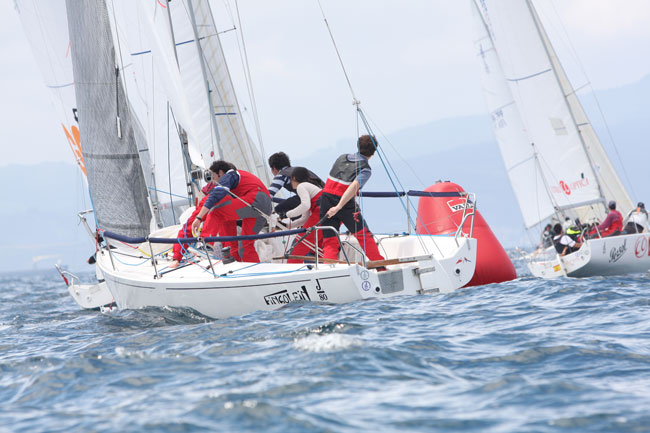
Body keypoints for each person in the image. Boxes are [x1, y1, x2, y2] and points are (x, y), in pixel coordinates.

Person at [319, 135, 385, 262]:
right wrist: (338, 207)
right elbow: (354, 186)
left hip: (325, 198)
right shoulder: (366, 169)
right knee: (363, 235)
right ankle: (379, 265)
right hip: (344, 203)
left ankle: (328, 268)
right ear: (373, 152)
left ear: (358, 146)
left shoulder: (341, 158)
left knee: (329, 240)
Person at [192, 160, 272, 263]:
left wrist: (198, 218)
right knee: (246, 242)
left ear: (220, 173)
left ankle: (206, 244)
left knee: (217, 211)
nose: (213, 180)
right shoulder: (239, 178)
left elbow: (216, 195)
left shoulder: (230, 175)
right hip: (266, 206)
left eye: (213, 176)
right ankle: (251, 268)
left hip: (256, 200)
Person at [168, 181, 217, 269]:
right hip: (235, 256)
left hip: (213, 196)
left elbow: (187, 230)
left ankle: (207, 246)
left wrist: (177, 257)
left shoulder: (211, 198)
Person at [281, 167, 324, 263]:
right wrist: (288, 225)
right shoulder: (310, 188)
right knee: (318, 248)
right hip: (327, 215)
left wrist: (286, 214)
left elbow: (305, 205)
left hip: (321, 214)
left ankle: (291, 270)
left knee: (300, 243)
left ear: (294, 178)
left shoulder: (302, 186)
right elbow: (305, 218)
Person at [267, 152, 324, 216]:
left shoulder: (282, 175)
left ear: (274, 168)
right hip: (323, 199)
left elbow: (268, 194)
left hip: (313, 201)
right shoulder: (298, 170)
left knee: (278, 210)